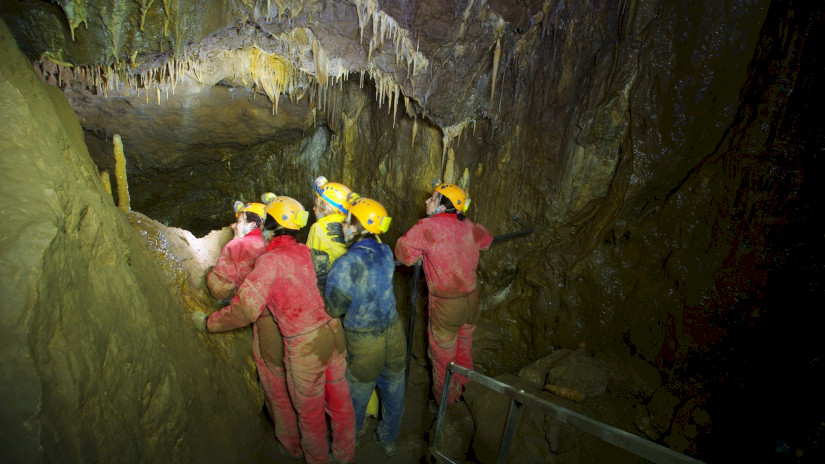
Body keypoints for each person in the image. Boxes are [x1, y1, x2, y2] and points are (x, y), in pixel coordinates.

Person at [206, 195, 355, 464]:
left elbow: (245, 310)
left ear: (268, 227)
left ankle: (317, 459)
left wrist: (209, 323)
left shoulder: (271, 262)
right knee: (339, 403)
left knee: (309, 415)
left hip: (306, 345)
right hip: (334, 333)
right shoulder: (308, 251)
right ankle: (345, 455)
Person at [194, 199, 302, 459]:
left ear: (253, 223)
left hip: (267, 324)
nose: (235, 224)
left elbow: (221, 288)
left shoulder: (237, 245)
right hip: (296, 324)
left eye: (240, 220)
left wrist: (209, 317)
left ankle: (290, 445)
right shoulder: (286, 248)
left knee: (274, 383)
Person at [394, 180, 493, 408]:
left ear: (441, 207)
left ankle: (445, 405)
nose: (427, 201)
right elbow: (486, 240)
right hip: (471, 301)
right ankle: (467, 391)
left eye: (433, 198)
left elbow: (404, 254)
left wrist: (422, 251)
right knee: (464, 346)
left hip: (446, 307)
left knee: (442, 359)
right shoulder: (468, 225)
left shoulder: (427, 227)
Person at [324, 195, 405, 456]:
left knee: (355, 400)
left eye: (348, 221)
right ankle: (388, 439)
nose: (344, 225)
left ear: (359, 227)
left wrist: (328, 279)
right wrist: (356, 237)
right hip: (394, 334)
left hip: (365, 342)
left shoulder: (344, 264)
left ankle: (346, 450)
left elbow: (334, 308)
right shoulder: (385, 250)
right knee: (394, 391)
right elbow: (370, 252)